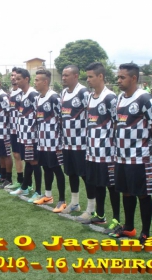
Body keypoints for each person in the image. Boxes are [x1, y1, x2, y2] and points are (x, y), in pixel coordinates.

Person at [109, 63, 152, 246]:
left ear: (133, 78)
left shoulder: (144, 99)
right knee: (126, 192)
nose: (118, 80)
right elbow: (115, 124)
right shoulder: (119, 98)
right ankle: (129, 227)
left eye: (122, 77)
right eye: (118, 77)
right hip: (121, 157)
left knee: (142, 194)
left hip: (139, 157)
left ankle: (145, 232)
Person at [81, 62, 120, 232]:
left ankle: (117, 220)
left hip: (107, 152)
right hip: (92, 151)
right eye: (87, 76)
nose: (88, 80)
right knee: (97, 184)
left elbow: (117, 123)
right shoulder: (89, 97)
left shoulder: (110, 97)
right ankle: (100, 215)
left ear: (100, 76)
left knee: (112, 187)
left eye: (90, 76)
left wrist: (112, 144)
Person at [60, 65, 96, 221]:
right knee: (71, 173)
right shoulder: (63, 93)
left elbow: (91, 115)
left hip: (81, 143)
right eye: (62, 75)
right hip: (67, 142)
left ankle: (91, 208)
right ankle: (75, 203)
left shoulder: (83, 93)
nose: (63, 78)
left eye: (66, 75)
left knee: (85, 176)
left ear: (75, 76)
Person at [33, 69, 66, 211]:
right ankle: (47, 196)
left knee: (56, 169)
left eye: (37, 80)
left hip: (54, 141)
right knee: (46, 168)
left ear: (45, 82)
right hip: (42, 140)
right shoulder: (38, 98)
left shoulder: (54, 97)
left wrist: (59, 138)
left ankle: (62, 200)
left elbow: (62, 119)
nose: (35, 82)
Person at [10, 68, 41, 202]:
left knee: (34, 162)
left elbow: (39, 114)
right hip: (22, 134)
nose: (16, 81)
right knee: (28, 161)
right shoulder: (22, 94)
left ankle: (39, 191)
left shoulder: (33, 94)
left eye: (18, 79)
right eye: (15, 79)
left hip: (31, 135)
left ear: (26, 79)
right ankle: (25, 186)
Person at [5, 67, 24, 190]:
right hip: (13, 129)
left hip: (23, 129)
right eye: (12, 75)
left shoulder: (24, 92)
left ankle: (28, 183)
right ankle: (20, 180)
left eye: (16, 75)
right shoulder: (11, 92)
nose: (13, 78)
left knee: (27, 157)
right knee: (16, 154)